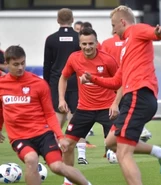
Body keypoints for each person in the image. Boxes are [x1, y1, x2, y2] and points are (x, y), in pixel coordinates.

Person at [81, 5, 161, 185]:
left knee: (123, 153)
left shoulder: (136, 30)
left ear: (123, 22)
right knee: (110, 142)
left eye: (114, 25)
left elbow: (154, 34)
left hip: (138, 95)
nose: (112, 30)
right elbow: (117, 81)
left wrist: (159, 33)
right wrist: (92, 78)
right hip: (136, 98)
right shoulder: (126, 48)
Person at [0, 45, 92, 185]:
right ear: (6, 64)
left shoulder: (38, 83)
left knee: (57, 167)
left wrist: (60, 137)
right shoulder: (2, 85)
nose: (20, 67)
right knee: (31, 159)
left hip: (43, 134)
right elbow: (1, 109)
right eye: (16, 64)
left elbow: (49, 114)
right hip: (19, 137)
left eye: (23, 63)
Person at [58, 27, 118, 185]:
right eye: (84, 44)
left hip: (107, 109)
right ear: (79, 44)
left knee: (119, 147)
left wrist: (116, 103)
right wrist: (61, 99)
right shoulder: (74, 58)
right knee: (67, 144)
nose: (87, 47)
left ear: (97, 43)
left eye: (91, 43)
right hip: (84, 109)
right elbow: (63, 78)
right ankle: (68, 181)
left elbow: (121, 83)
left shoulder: (107, 60)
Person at [43, 8, 92, 165]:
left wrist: (47, 84)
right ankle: (82, 155)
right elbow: (84, 59)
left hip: (57, 81)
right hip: (76, 81)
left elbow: (47, 65)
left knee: (58, 117)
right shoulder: (78, 38)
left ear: (58, 20)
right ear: (72, 20)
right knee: (78, 117)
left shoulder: (50, 39)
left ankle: (52, 151)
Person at [102, 34, 153, 143]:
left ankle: (115, 142)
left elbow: (103, 61)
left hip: (114, 82)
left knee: (119, 113)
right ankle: (140, 129)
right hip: (130, 81)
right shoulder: (131, 42)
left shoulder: (106, 43)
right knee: (128, 109)